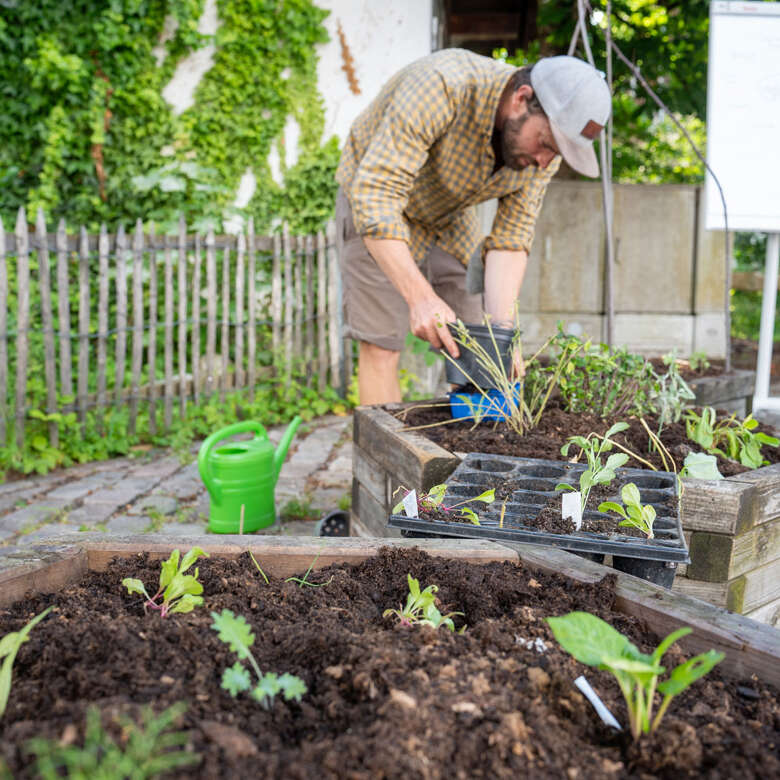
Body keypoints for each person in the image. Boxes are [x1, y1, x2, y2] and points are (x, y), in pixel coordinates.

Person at [335, 49, 611, 405]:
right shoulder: (442, 85)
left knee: (479, 349)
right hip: (374, 201)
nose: (545, 161)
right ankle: (382, 459)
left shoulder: (542, 157)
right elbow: (378, 194)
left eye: (556, 153)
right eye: (546, 143)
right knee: (381, 345)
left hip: (449, 215)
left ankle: (465, 456)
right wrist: (420, 297)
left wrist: (504, 334)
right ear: (521, 99)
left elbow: (511, 240)